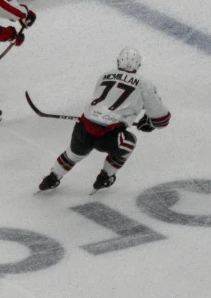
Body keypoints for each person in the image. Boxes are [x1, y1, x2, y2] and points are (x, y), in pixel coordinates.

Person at [37, 44, 169, 198]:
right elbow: (162, 119)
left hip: (84, 126)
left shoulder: (105, 75)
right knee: (129, 142)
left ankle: (52, 178)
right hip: (109, 135)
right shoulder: (145, 84)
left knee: (73, 154)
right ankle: (105, 177)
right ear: (138, 65)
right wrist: (150, 122)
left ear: (118, 61)